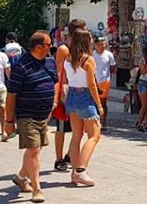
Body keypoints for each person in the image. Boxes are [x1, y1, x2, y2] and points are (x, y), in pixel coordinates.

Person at [5, 31, 57, 203]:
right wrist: (9, 121)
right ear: (38, 47)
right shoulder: (21, 67)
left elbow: (55, 82)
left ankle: (21, 177)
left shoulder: (50, 62)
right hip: (26, 115)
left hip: (44, 115)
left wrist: (54, 103)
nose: (51, 47)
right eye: (49, 45)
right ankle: (37, 189)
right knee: (34, 150)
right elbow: (11, 95)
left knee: (34, 149)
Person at [64, 28, 103, 187]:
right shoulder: (88, 60)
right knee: (94, 136)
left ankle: (75, 172)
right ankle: (81, 170)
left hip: (71, 95)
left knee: (76, 135)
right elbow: (92, 85)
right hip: (84, 96)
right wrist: (99, 105)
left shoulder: (68, 57)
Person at [54, 19, 86, 172]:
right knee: (61, 127)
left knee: (80, 128)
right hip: (66, 91)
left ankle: (69, 155)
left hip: (78, 92)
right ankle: (59, 158)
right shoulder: (64, 49)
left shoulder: (81, 50)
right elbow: (59, 72)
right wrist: (61, 91)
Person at [92, 36, 116, 132]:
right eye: (100, 44)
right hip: (93, 81)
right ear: (96, 45)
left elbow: (113, 67)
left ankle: (104, 122)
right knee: (93, 102)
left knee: (103, 102)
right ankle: (94, 122)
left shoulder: (109, 55)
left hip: (104, 81)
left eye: (104, 44)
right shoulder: (92, 54)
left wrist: (107, 75)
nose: (103, 46)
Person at [0, 48, 10, 140]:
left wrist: (11, 82)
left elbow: (7, 69)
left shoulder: (3, 56)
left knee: (3, 109)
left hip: (1, 87)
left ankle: (4, 131)